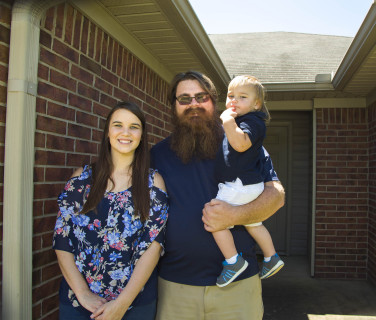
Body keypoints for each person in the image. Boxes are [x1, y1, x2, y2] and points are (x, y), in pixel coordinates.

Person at [151, 71, 285, 320]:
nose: (194, 104)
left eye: (201, 97)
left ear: (214, 101)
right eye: (184, 98)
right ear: (173, 106)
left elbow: (276, 196)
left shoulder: (242, 142)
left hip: (238, 289)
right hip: (175, 287)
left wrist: (235, 214)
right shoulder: (156, 155)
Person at [53, 101, 168, 320]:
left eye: (134, 127)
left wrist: (122, 303)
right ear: (107, 132)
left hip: (135, 304)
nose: (126, 132)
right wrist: (83, 294)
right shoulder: (82, 179)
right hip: (78, 303)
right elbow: (62, 239)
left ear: (142, 135)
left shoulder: (153, 183)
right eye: (118, 125)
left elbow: (153, 246)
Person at [213, 75, 284, 288]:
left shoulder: (252, 121)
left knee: (214, 218)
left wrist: (226, 121)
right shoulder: (242, 121)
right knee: (253, 222)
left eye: (242, 97)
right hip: (248, 185)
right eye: (230, 95)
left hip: (239, 184)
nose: (234, 101)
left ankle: (233, 261)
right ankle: (271, 257)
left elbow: (241, 144)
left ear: (256, 104)